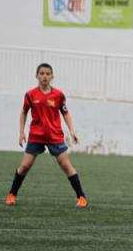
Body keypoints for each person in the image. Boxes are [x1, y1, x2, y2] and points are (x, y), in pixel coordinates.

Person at [5, 63, 87, 207]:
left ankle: (81, 197)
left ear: (52, 77)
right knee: (25, 166)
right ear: (36, 76)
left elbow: (65, 113)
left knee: (66, 165)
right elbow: (24, 112)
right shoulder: (30, 95)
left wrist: (72, 130)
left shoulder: (58, 95)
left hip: (54, 136)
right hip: (36, 136)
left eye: (48, 74)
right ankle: (12, 194)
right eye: (42, 73)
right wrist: (21, 132)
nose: (45, 76)